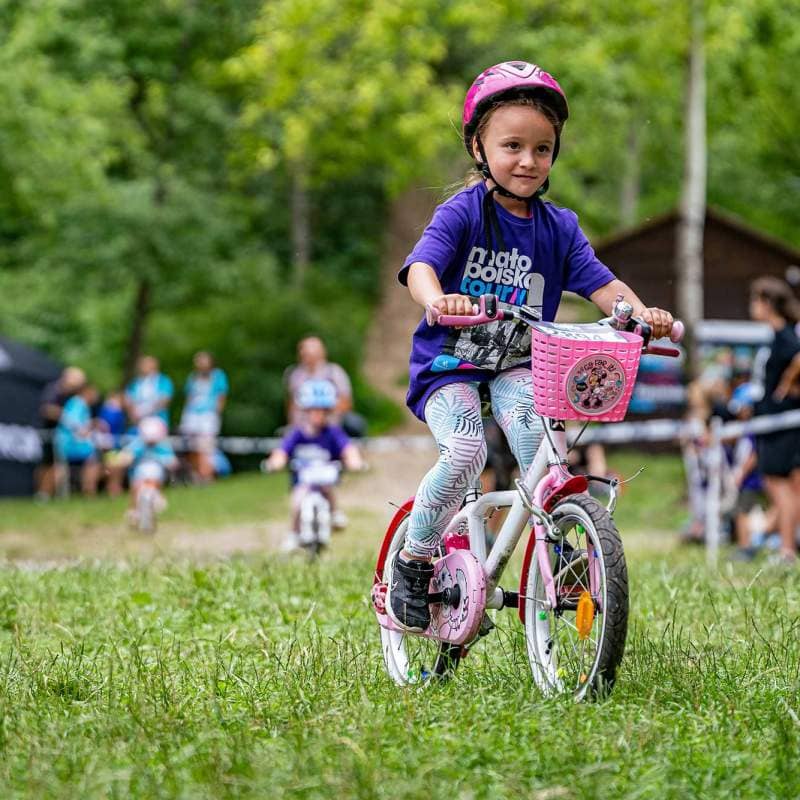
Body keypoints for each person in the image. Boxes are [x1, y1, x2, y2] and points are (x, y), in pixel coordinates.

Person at [386, 61, 675, 632]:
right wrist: (439, 298)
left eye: (542, 149)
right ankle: (414, 561)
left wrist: (643, 315)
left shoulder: (559, 227)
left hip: (519, 364)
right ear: (478, 146)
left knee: (542, 443)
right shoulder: (463, 212)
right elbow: (421, 265)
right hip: (451, 365)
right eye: (512, 145)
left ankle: (556, 543)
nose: (527, 160)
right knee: (466, 448)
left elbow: (603, 285)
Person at [265, 379, 363, 552]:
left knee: (328, 489)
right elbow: (282, 451)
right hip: (303, 480)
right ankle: (293, 533)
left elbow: (347, 448)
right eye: (314, 411)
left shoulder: (333, 433)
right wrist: (275, 462)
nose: (319, 415)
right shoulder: (297, 433)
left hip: (325, 478)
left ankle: (334, 513)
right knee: (297, 501)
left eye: (323, 411)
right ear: (306, 411)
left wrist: (354, 461)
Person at [748, 276, 800, 564]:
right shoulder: (778, 336)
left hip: (782, 423)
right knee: (783, 486)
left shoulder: (787, 337)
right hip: (771, 421)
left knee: (779, 486)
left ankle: (787, 550)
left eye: (755, 300)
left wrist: (787, 386)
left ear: (767, 303)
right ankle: (783, 545)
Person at [284, 336, 364, 435]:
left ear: (322, 353)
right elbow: (291, 405)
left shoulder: (334, 372)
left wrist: (321, 414)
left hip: (331, 427)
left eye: (312, 351)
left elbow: (347, 403)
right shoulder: (295, 375)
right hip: (301, 429)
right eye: (305, 351)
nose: (307, 354)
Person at [112, 416, 178, 527]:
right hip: (138, 476)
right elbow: (125, 456)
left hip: (155, 475)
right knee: (138, 486)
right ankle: (135, 509)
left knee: (150, 480)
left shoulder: (163, 446)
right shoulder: (138, 444)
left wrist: (166, 461)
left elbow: (173, 462)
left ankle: (149, 502)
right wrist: (125, 458)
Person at [36, 366, 87, 499]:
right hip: (47, 431)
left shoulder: (71, 395)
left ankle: (47, 494)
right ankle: (43, 493)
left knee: (55, 464)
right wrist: (66, 417)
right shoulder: (54, 390)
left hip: (61, 434)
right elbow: (46, 409)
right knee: (48, 463)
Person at [179, 351, 229, 482]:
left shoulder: (218, 376)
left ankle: (207, 475)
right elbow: (189, 397)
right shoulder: (193, 377)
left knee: (206, 447)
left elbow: (222, 396)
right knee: (192, 447)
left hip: (208, 415)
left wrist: (216, 413)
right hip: (192, 415)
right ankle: (196, 474)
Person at [54, 382, 101, 496]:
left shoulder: (76, 403)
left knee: (62, 467)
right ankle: (89, 490)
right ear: (87, 392)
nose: (96, 397)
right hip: (69, 443)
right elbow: (71, 422)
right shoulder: (78, 403)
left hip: (67, 442)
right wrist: (86, 428)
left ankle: (54, 494)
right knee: (93, 459)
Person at [124, 355, 173, 429]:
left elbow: (165, 400)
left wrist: (145, 412)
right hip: (137, 422)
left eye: (145, 364)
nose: (142, 366)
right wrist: (133, 414)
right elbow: (128, 400)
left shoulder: (163, 381)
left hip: (157, 421)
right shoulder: (135, 382)